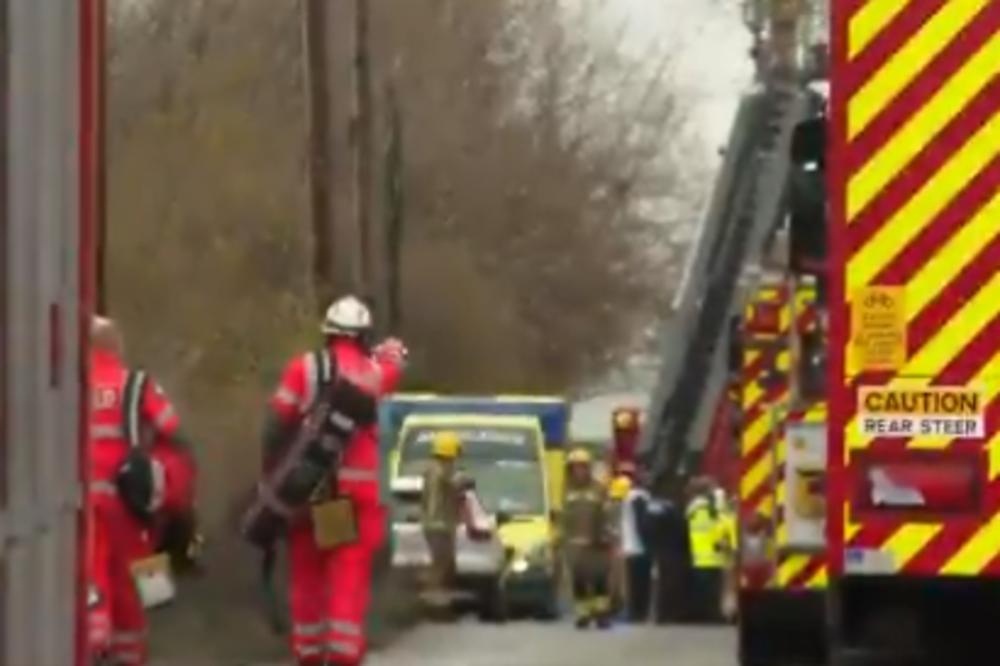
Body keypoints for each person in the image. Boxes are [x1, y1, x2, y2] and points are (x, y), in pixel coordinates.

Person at [262, 295, 406, 666]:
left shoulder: (303, 369)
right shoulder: (372, 373)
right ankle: (342, 654)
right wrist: (390, 351)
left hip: (305, 491)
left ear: (327, 333)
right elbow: (393, 366)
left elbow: (275, 426)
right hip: (349, 502)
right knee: (346, 578)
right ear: (361, 336)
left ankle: (308, 653)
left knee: (307, 576)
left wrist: (272, 483)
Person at [86, 316, 197, 666]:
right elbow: (173, 430)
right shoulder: (136, 385)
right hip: (129, 504)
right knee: (135, 585)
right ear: (116, 345)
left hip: (80, 503)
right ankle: (131, 653)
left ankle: (93, 645)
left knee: (90, 576)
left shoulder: (67, 387)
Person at [562, 448, 612, 629]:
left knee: (599, 580)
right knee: (579, 581)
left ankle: (602, 614)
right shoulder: (566, 491)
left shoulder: (599, 489)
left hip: (595, 544)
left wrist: (604, 537)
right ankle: (583, 614)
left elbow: (607, 515)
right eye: (575, 468)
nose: (579, 472)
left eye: (582, 467)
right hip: (574, 547)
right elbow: (563, 519)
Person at [420, 431, 465, 609]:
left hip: (437, 522)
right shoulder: (440, 469)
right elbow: (454, 483)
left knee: (444, 560)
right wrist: (463, 478)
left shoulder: (433, 468)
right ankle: (431, 596)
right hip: (437, 523)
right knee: (440, 560)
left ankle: (436, 594)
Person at [686, 477, 725, 623]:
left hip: (699, 554)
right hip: (710, 554)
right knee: (711, 590)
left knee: (703, 589)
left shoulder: (693, 508)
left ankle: (704, 615)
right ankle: (712, 616)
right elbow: (719, 525)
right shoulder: (708, 507)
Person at [621, 472, 652, 623]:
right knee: (641, 583)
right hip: (639, 547)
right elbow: (642, 523)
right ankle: (639, 613)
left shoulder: (629, 496)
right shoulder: (639, 497)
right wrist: (649, 543)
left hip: (630, 546)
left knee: (634, 582)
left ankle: (635, 612)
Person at [606, 474, 632, 618]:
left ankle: (615, 606)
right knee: (619, 580)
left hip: (618, 546)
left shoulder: (611, 505)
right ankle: (618, 607)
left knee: (616, 579)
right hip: (618, 546)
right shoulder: (621, 506)